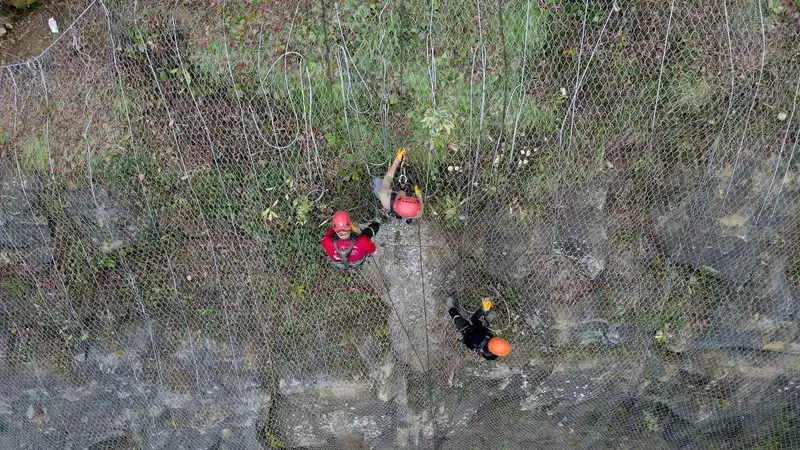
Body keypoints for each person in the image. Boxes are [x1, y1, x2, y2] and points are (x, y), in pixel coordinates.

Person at [445, 295, 511, 360]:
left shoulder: (485, 352)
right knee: (475, 319)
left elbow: (469, 344)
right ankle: (484, 310)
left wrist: (465, 339)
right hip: (479, 331)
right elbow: (486, 332)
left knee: (459, 321)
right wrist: (484, 324)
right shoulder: (495, 342)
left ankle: (450, 308)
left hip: (469, 335)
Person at [372, 147, 423, 223]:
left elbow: (388, 177)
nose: (405, 196)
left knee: (376, 181)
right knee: (411, 220)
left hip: (388, 203)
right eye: (410, 198)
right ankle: (407, 220)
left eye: (402, 197)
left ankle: (388, 208)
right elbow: (420, 211)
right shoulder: (415, 212)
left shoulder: (385, 198)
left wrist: (397, 160)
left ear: (396, 200)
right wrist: (418, 195)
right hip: (407, 213)